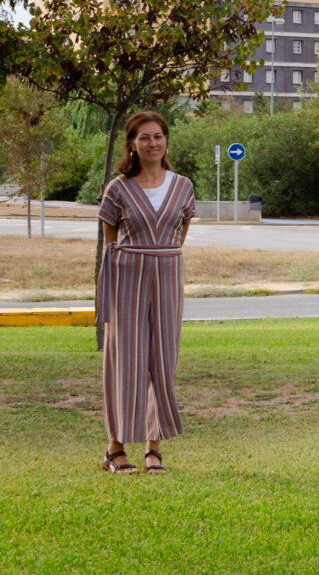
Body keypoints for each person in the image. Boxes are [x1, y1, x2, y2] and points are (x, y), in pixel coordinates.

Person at [96, 110, 197, 475]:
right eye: (144, 137)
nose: (152, 143)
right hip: (127, 279)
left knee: (163, 362)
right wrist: (138, 262)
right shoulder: (118, 188)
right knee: (125, 362)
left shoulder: (183, 186)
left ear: (166, 141)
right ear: (132, 145)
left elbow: (178, 235)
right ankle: (115, 449)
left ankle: (154, 449)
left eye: (158, 136)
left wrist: (158, 258)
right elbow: (111, 242)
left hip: (168, 276)